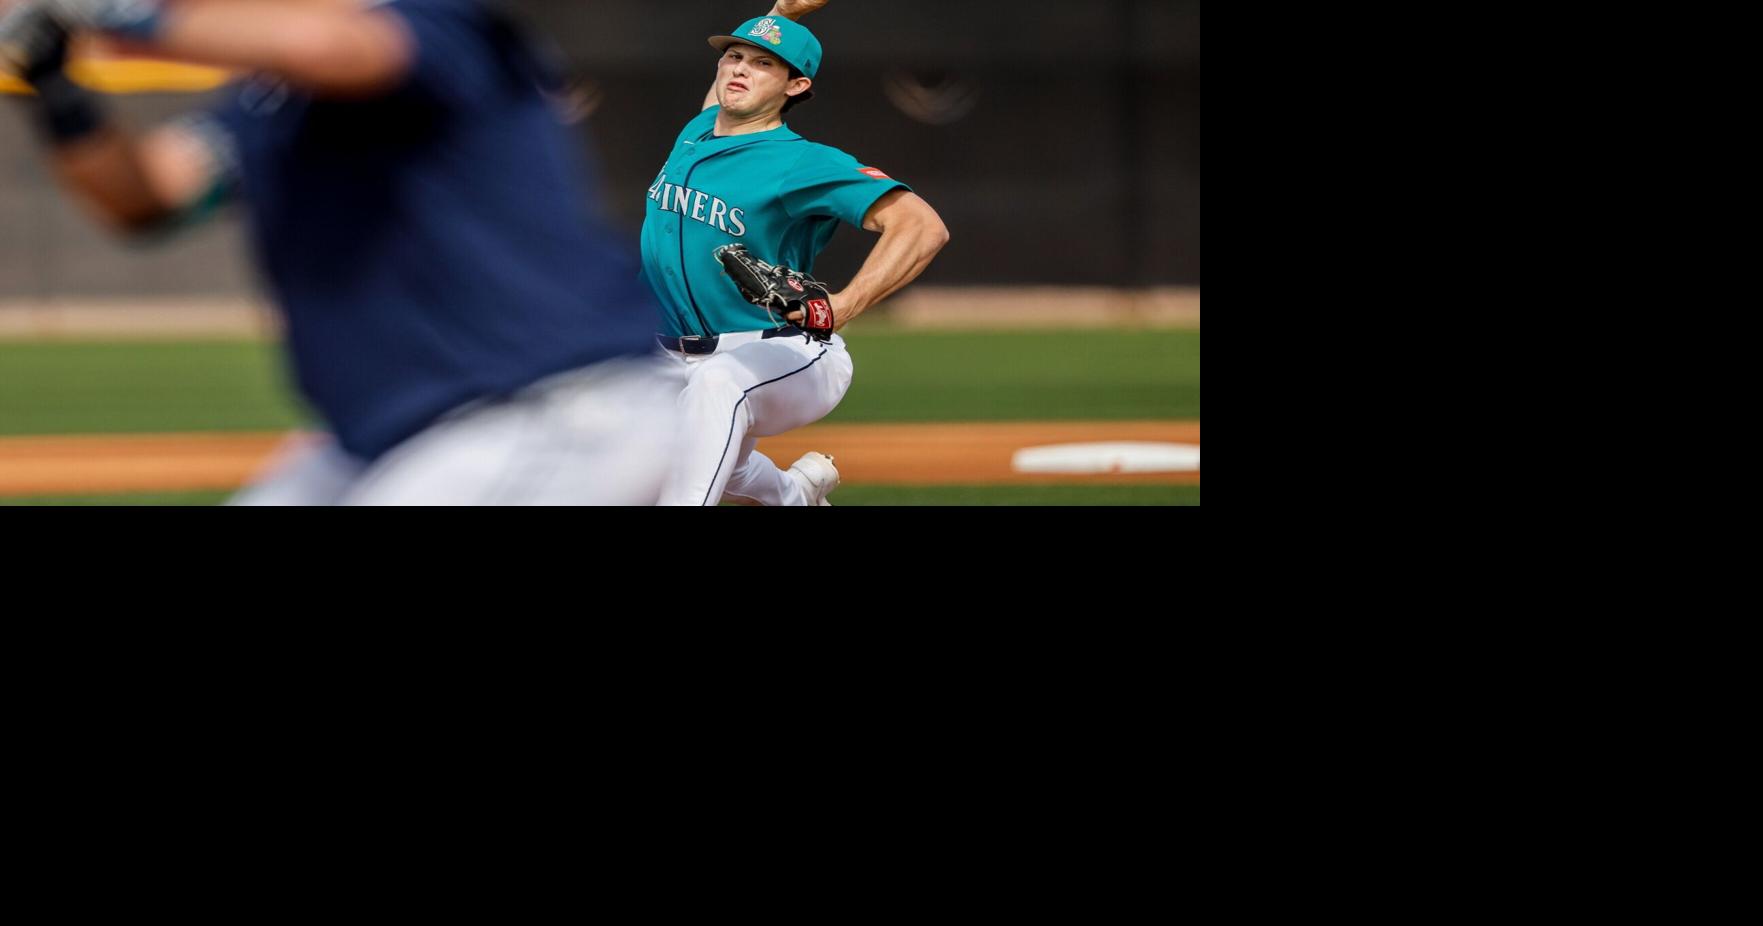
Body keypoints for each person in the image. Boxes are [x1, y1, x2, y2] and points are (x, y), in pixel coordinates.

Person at [0, 0, 675, 505]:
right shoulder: (269, 103)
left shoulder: (435, 21)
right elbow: (145, 196)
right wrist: (56, 84)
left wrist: (112, 9)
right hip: (397, 441)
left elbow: (339, 47)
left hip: (548, 410)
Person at [644, 0, 949, 506]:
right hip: (668, 353)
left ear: (796, 86)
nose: (741, 68)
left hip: (784, 349)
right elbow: (727, 92)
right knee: (672, 446)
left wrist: (844, 306)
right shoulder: (698, 132)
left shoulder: (801, 162)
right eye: (734, 56)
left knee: (719, 388)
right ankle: (795, 493)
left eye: (763, 63)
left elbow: (922, 226)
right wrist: (783, 11)